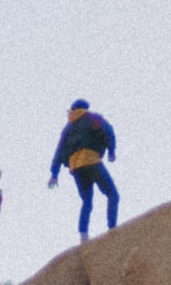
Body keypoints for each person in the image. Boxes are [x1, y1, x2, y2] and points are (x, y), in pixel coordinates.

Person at [48, 99, 118, 240]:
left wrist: (54, 174)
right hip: (91, 160)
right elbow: (108, 131)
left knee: (87, 201)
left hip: (76, 167)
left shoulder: (68, 128)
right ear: (85, 108)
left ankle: (83, 235)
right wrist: (111, 151)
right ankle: (112, 229)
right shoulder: (92, 118)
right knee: (112, 194)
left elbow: (59, 151)